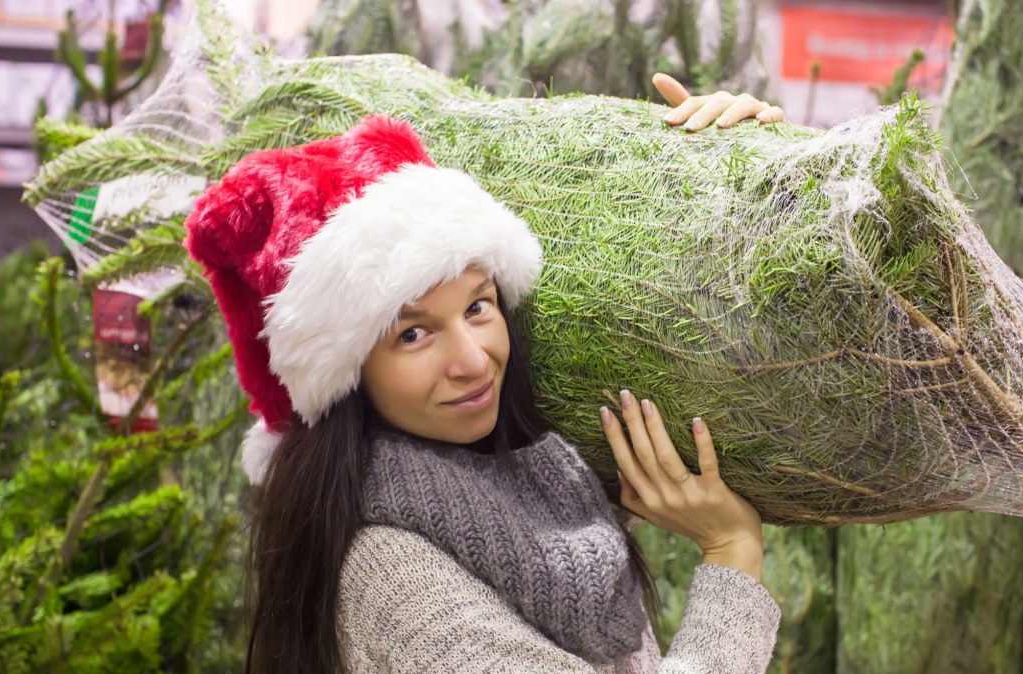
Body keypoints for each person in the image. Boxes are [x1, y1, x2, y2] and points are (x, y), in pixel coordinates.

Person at [184, 75, 784, 673]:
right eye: (412, 333)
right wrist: (732, 553)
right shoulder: (396, 578)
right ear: (346, 377)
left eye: (478, 306)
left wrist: (735, 174)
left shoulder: (538, 492)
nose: (473, 361)